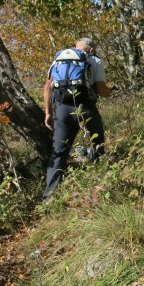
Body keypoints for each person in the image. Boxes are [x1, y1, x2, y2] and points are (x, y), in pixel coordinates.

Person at [42, 37, 111, 200]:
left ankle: (48, 198)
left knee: (58, 153)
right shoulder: (94, 60)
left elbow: (47, 87)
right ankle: (100, 187)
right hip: (85, 107)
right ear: (92, 49)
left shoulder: (59, 60)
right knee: (98, 144)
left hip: (61, 110)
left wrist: (48, 113)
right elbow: (102, 90)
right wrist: (110, 89)